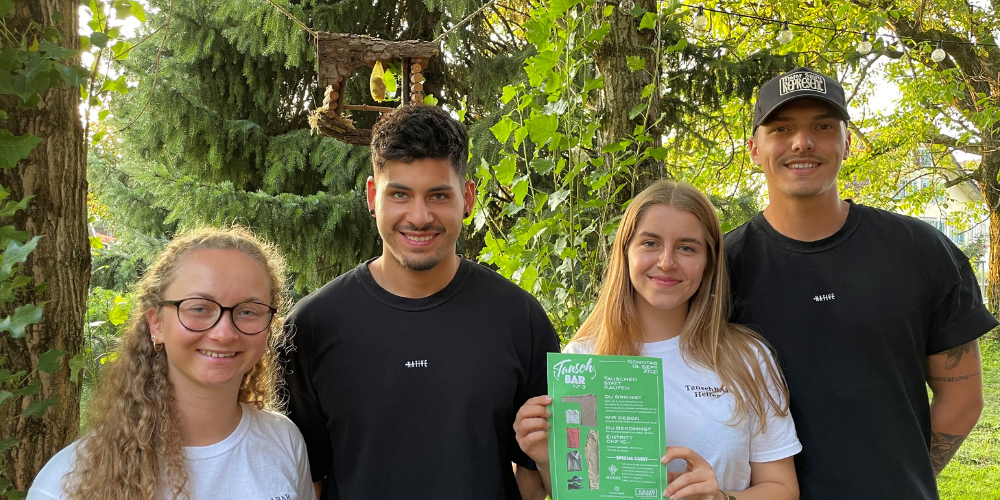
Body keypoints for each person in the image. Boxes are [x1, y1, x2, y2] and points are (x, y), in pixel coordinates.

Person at [725, 67, 997, 499]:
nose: (802, 142)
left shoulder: (921, 250)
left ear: (847, 142)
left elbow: (962, 398)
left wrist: (906, 477)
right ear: (754, 149)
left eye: (823, 126)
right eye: (782, 128)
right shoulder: (720, 268)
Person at [282, 104, 561, 499]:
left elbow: (537, 474)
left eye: (438, 195)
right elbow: (305, 478)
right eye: (400, 194)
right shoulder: (311, 326)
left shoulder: (519, 318)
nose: (419, 216)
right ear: (372, 196)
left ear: (467, 197)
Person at [514, 181, 801, 500]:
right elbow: (581, 489)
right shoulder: (583, 362)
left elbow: (782, 489)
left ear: (709, 262)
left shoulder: (748, 358)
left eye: (687, 247)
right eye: (650, 243)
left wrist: (719, 498)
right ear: (625, 251)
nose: (666, 261)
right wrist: (546, 458)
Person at [28, 227, 313, 499]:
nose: (225, 333)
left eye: (249, 311)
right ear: (156, 324)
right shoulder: (69, 482)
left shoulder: (284, 441)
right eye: (199, 308)